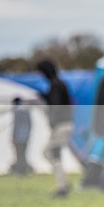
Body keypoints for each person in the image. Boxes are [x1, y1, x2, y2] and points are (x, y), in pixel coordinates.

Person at [36, 59, 73, 197]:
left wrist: (52, 121)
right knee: (54, 154)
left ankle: (63, 185)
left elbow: (56, 104)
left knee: (49, 152)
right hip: (64, 125)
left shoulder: (56, 85)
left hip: (61, 125)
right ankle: (63, 183)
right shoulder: (58, 84)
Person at [10, 97, 32, 175]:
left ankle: (21, 171)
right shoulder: (27, 111)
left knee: (19, 155)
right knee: (23, 154)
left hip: (18, 137)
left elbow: (15, 125)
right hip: (25, 137)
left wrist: (13, 137)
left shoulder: (17, 111)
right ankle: (24, 171)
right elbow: (30, 125)